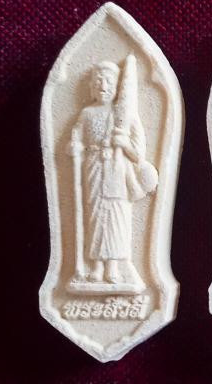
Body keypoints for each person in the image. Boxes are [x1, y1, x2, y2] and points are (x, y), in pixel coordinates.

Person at [69, 60, 149, 284]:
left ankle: (113, 267)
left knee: (115, 217)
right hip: (93, 169)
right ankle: (96, 267)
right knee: (95, 215)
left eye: (108, 82)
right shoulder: (86, 113)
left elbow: (139, 153)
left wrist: (124, 143)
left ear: (116, 86)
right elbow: (76, 136)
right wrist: (74, 146)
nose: (103, 86)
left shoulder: (125, 114)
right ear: (92, 87)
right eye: (98, 82)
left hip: (116, 172)